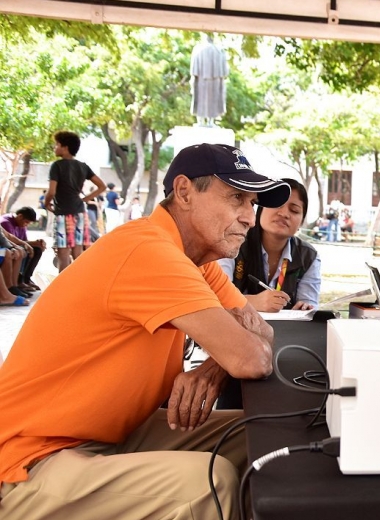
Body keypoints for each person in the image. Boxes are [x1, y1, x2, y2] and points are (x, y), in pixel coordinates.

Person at [0, 143, 291, 518]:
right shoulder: (148, 251)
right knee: (207, 482)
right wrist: (231, 354)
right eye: (237, 198)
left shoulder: (194, 261)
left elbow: (260, 333)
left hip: (110, 435)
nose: (249, 217)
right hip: (31, 461)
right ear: (184, 191)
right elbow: (251, 356)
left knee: (260, 432)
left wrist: (213, 369)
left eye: (251, 203)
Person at [219, 178, 321, 312]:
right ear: (260, 209)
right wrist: (253, 302)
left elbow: (309, 303)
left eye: (294, 210)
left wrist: (306, 308)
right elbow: (216, 297)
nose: (284, 214)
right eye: (278, 204)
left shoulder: (308, 256)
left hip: (287, 331)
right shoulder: (234, 240)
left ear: (301, 222)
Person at [45, 131, 106, 272]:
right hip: (79, 213)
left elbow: (52, 191)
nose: (55, 148)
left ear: (65, 147)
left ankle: (63, 288)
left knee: (63, 253)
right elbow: (101, 186)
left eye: (57, 145)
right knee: (77, 252)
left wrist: (47, 203)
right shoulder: (83, 166)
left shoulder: (57, 166)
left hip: (62, 213)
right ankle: (77, 285)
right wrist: (84, 199)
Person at [0, 208, 46, 292]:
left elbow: (20, 240)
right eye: (26, 222)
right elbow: (7, 239)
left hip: (11, 246)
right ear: (20, 216)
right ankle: (16, 283)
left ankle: (25, 279)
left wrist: (35, 243)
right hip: (6, 248)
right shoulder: (5, 222)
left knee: (35, 249)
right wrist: (22, 245)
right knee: (20, 251)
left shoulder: (20, 224)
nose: (26, 225)